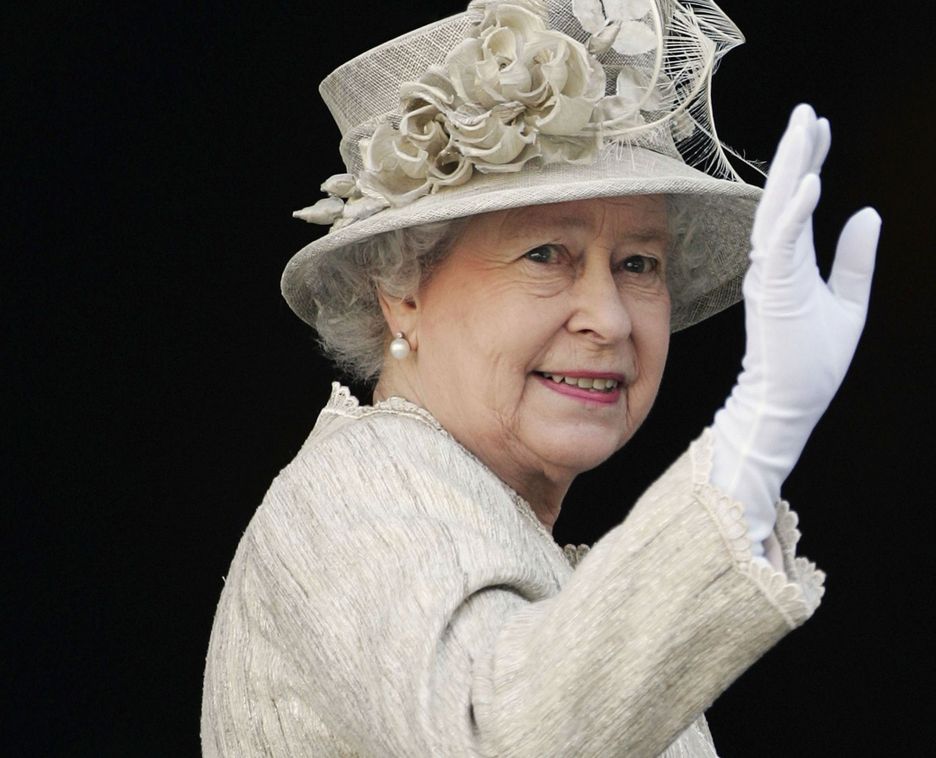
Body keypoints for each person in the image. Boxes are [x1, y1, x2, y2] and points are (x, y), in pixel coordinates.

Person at [201, 0, 881, 754]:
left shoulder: (502, 534)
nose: (611, 319)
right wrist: (757, 437)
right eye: (545, 254)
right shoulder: (358, 492)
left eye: (637, 264)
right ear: (401, 291)